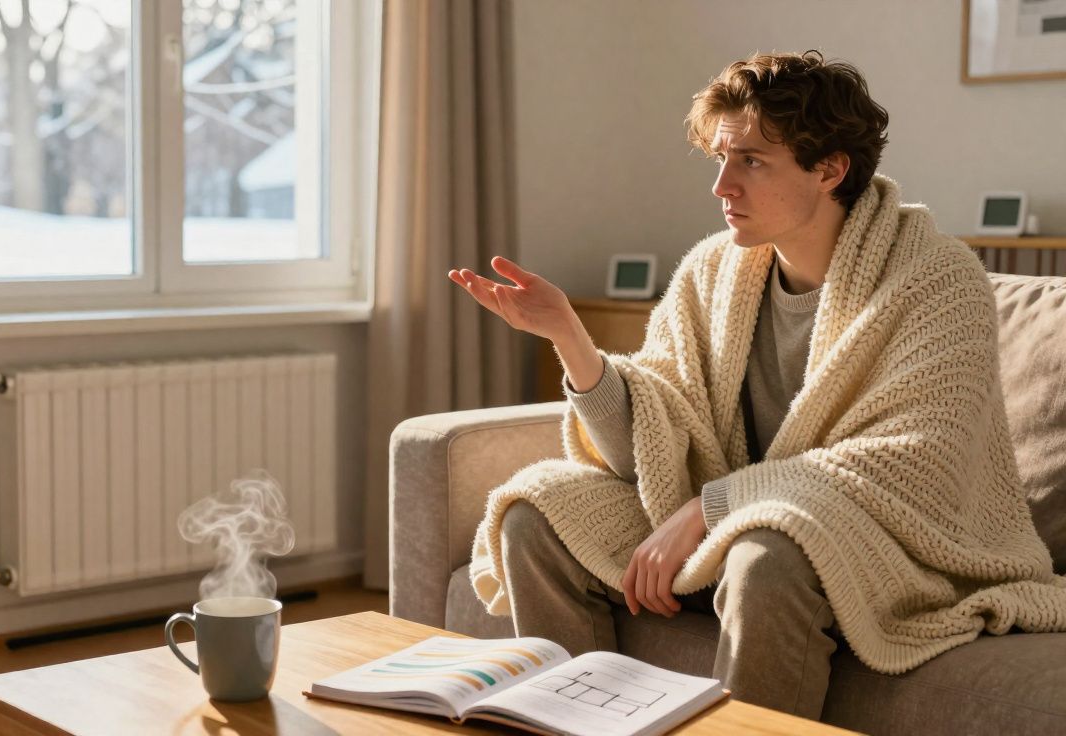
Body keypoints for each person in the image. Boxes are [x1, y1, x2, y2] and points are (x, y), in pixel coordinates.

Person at [449, 49, 1064, 721]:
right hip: (737, 522)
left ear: (830, 169)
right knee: (537, 513)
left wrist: (712, 509)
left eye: (751, 161)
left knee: (765, 557)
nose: (722, 186)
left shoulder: (937, 282)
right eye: (719, 159)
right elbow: (652, 449)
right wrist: (571, 339)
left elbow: (917, 463)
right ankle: (574, 724)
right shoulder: (711, 273)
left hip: (888, 543)